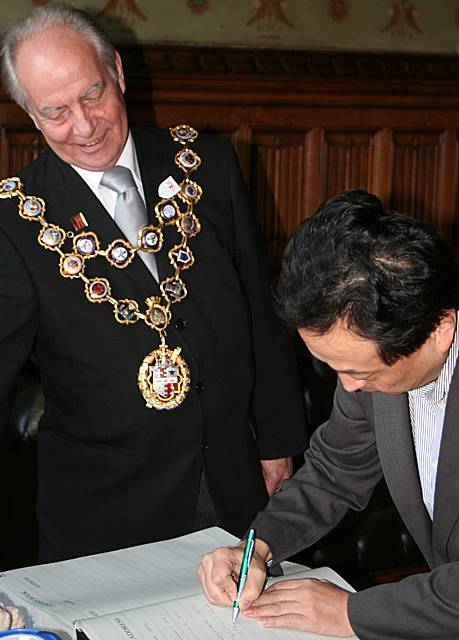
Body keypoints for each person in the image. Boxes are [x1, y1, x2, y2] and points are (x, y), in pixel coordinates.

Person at [0, 3, 307, 563]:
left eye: (92, 94)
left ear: (117, 71)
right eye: (56, 111)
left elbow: (262, 317)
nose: (85, 126)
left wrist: (280, 444)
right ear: (30, 116)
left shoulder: (206, 164)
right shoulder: (17, 220)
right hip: (104, 515)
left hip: (235, 483)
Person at [199, 189, 459, 639]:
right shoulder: (368, 367)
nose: (350, 386)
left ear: (440, 329)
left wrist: (350, 614)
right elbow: (335, 472)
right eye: (335, 368)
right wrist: (256, 547)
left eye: (359, 370)